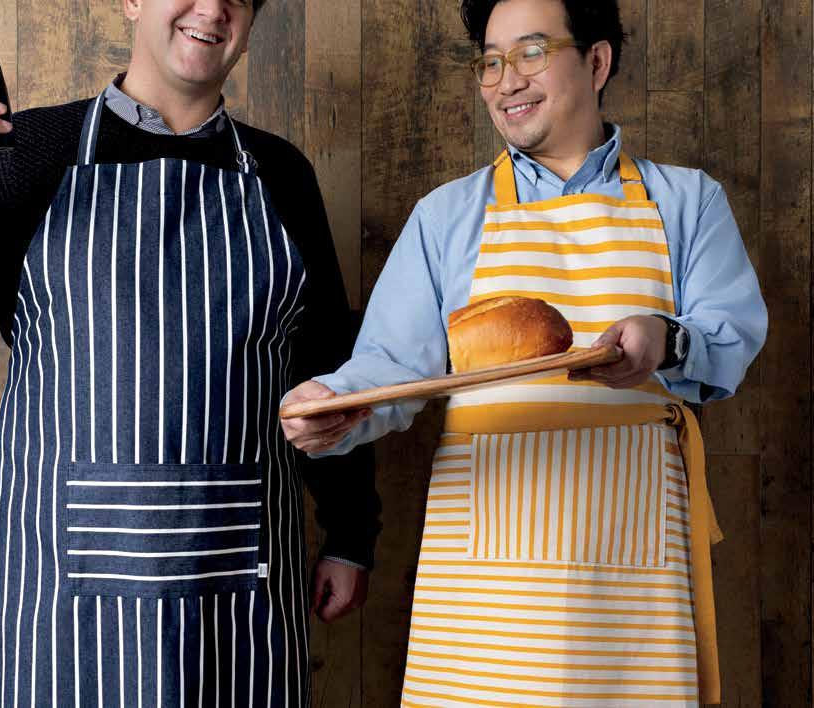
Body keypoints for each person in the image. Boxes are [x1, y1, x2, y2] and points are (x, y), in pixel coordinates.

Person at [0, 0, 380, 705]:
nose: (211, 6)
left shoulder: (280, 174)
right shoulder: (28, 153)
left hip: (237, 581)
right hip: (60, 597)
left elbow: (325, 372)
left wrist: (350, 534)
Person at [281, 0, 766, 705]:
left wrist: (666, 338)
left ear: (596, 62)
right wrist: (338, 404)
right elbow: (390, 367)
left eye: (531, 52)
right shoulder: (446, 216)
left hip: (630, 554)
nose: (506, 80)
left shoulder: (688, 201)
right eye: (490, 61)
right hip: (485, 572)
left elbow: (729, 337)